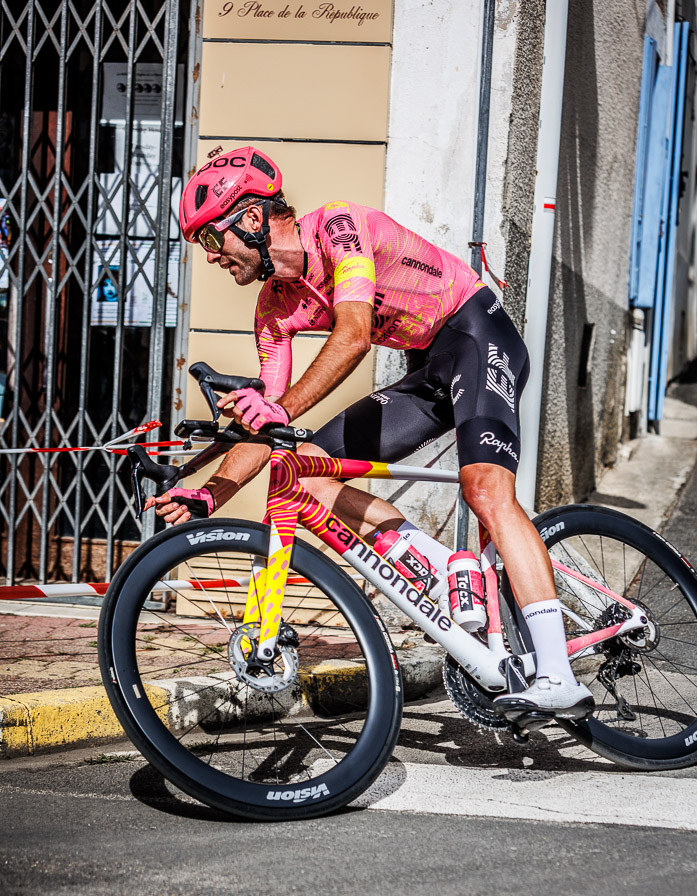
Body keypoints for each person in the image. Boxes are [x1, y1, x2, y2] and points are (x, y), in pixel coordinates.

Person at [148, 145, 592, 719]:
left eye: (211, 239)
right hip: (428, 370)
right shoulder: (274, 307)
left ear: (252, 219)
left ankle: (558, 674)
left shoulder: (339, 228)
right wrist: (208, 491)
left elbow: (355, 332)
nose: (210, 257)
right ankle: (443, 566)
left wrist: (279, 409)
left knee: (485, 489)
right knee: (302, 472)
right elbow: (270, 424)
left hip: (476, 335)